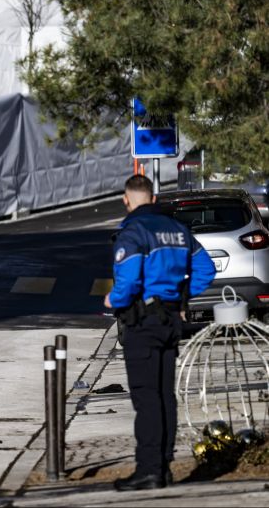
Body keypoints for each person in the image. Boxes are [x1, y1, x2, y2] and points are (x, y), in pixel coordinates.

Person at [105, 174, 215, 490]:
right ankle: (164, 467)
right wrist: (179, 298)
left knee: (146, 397)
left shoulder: (133, 231)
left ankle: (149, 470)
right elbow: (206, 269)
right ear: (153, 198)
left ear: (127, 200)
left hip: (142, 323)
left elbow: (127, 281)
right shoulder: (179, 230)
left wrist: (114, 298)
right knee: (166, 395)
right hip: (171, 320)